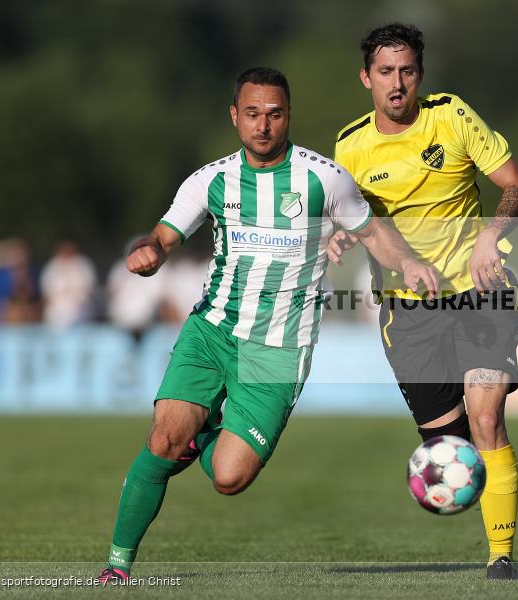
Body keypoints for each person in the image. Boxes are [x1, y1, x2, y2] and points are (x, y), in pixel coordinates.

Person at [97, 67, 437, 583]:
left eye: (274, 114)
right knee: (163, 439)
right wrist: (150, 253)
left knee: (229, 478)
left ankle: (200, 434)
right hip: (212, 331)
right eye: (252, 114)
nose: (263, 125)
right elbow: (164, 237)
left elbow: (372, 233)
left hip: (279, 347)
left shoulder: (324, 178)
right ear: (235, 116)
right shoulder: (210, 180)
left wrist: (409, 263)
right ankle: (117, 567)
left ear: (288, 117)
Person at [331, 23, 518, 580]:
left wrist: (490, 237)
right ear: (366, 78)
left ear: (420, 74)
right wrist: (338, 235)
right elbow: (354, 221)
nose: (398, 84)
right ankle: (477, 479)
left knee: (486, 415)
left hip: (481, 292)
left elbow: (517, 185)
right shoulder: (349, 147)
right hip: (408, 307)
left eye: (407, 71)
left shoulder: (451, 115)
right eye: (386, 73)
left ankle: (501, 557)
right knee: (447, 443)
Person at [39, 240, 97, 329]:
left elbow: (88, 288)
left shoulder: (83, 265)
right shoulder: (51, 266)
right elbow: (46, 290)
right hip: (56, 309)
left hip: (79, 308)